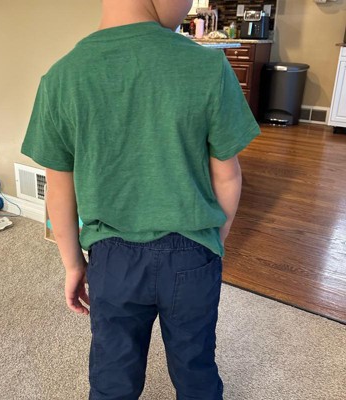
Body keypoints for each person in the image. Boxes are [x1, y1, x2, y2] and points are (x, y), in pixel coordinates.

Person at [21, 0, 260, 398]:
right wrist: (213, 240)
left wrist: (73, 264)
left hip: (112, 262)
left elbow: (59, 190)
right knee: (196, 366)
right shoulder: (208, 67)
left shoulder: (62, 77)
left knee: (112, 374)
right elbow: (228, 176)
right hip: (192, 255)